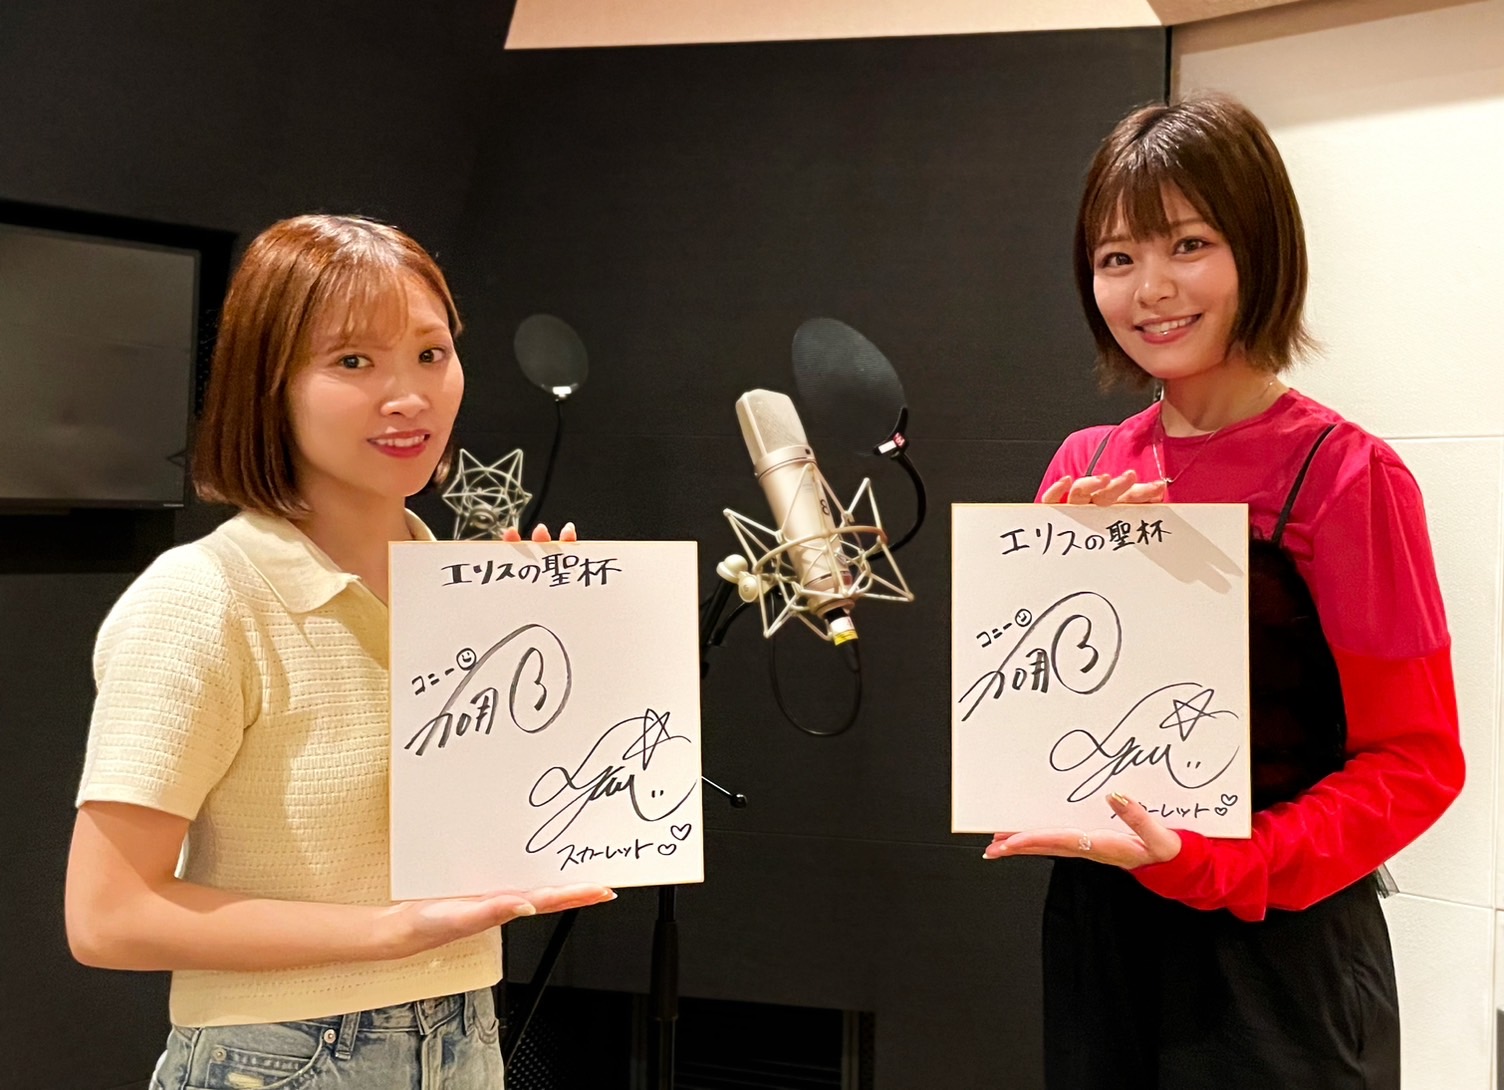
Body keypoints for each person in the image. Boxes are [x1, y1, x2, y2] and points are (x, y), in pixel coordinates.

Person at [64, 214, 613, 1089]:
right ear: (268, 384)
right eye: (353, 361)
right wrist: (387, 931)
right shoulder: (205, 597)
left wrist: (560, 646)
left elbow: (521, 827)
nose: (408, 397)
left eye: (430, 354)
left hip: (466, 1036)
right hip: (277, 1055)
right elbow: (107, 917)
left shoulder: (469, 594)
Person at [982, 94, 1464, 1089]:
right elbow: (1034, 730)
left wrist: (1220, 864)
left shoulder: (1345, 475)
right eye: (1116, 257)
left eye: (1189, 244)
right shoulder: (1083, 463)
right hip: (1101, 935)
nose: (1150, 288)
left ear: (1260, 249)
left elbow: (1416, 761)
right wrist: (1057, 571)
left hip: (1272, 947)